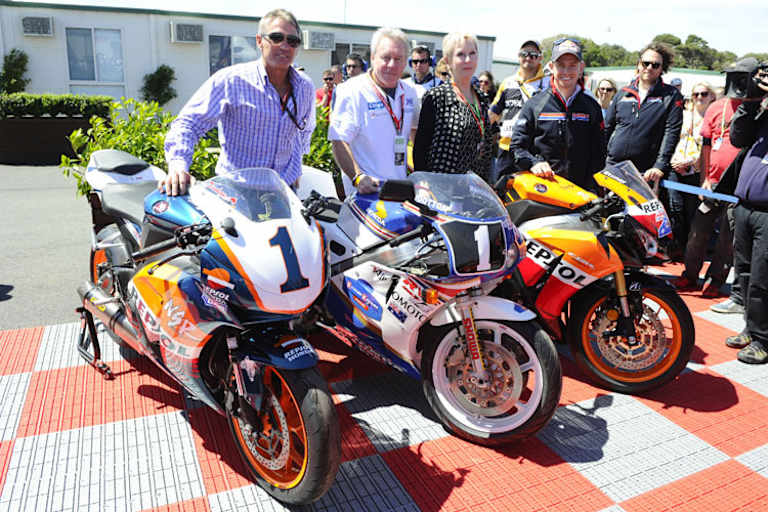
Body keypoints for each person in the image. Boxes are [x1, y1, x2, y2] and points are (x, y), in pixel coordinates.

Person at [162, 9, 314, 195]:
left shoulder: (304, 86)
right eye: (276, 38)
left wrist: (296, 166)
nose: (285, 46)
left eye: (292, 41)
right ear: (259, 41)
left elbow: (303, 131)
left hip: (284, 193)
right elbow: (188, 123)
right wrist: (178, 164)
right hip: (237, 192)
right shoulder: (231, 81)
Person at [329, 27, 419, 195]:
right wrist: (358, 177)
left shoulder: (410, 92)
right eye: (386, 58)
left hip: (399, 192)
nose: (392, 65)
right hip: (365, 195)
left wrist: (422, 175)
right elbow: (339, 141)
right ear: (372, 57)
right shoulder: (351, 91)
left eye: (398, 59)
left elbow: (415, 135)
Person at [508, 38, 605, 192]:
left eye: (572, 66)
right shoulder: (534, 104)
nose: (566, 72)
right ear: (552, 67)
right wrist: (534, 163)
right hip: (544, 193)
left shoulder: (592, 107)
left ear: (581, 68)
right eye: (561, 65)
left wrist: (595, 190)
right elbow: (516, 148)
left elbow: (599, 155)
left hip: (581, 195)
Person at [724, 61, 768, 364]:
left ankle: (764, 340)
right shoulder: (761, 110)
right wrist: (749, 102)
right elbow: (738, 138)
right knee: (746, 273)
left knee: (764, 279)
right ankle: (752, 330)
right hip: (746, 207)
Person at [413, 32, 495, 182]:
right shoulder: (436, 97)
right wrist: (423, 185)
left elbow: (487, 150)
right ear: (448, 61)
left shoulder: (482, 98)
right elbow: (420, 149)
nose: (468, 60)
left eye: (472, 53)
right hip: (442, 190)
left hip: (475, 189)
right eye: (461, 55)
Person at [605, 42, 684, 186]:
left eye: (655, 65)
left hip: (646, 172)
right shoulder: (623, 93)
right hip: (613, 167)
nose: (649, 68)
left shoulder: (671, 95)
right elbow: (607, 128)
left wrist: (660, 165)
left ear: (662, 69)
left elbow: (671, 132)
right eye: (645, 63)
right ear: (638, 64)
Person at [668, 82, 716, 259]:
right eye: (695, 94)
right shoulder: (683, 115)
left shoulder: (713, 119)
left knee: (692, 211)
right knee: (675, 207)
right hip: (675, 166)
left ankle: (690, 249)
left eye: (704, 94)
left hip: (696, 170)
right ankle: (676, 245)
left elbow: (710, 148)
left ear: (712, 96)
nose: (700, 98)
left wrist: (691, 162)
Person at [489, 40, 551, 178]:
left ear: (540, 58)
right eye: (524, 54)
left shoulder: (549, 83)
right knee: (501, 193)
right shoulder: (508, 82)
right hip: (506, 147)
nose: (528, 57)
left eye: (533, 54)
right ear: (518, 56)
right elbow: (493, 113)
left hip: (533, 151)